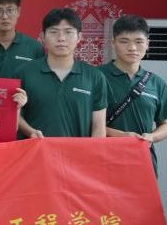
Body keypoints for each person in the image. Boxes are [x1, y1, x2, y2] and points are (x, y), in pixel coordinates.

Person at [97, 15, 167, 175]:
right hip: (103, 161)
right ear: (113, 43)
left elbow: (165, 125)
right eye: (124, 41)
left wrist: (151, 137)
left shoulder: (157, 83)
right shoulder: (95, 77)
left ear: (147, 44)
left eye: (139, 42)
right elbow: (84, 122)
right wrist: (121, 136)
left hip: (143, 161)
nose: (132, 48)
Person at [16, 8, 108, 139]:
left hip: (77, 151)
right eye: (54, 32)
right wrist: (30, 131)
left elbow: (98, 126)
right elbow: (14, 115)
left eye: (68, 32)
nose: (61, 38)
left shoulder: (95, 77)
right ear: (43, 37)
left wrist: (92, 151)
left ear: (79, 37)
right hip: (36, 150)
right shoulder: (24, 73)